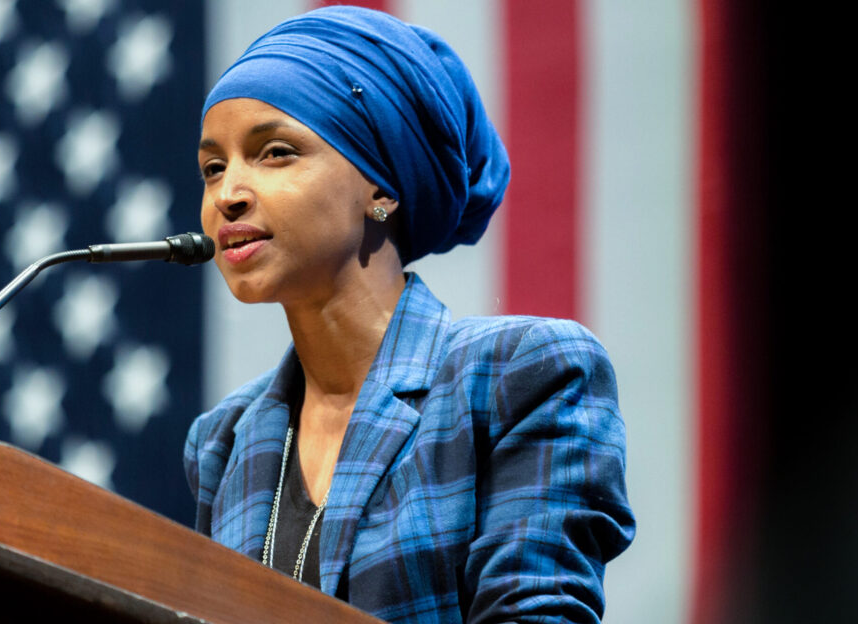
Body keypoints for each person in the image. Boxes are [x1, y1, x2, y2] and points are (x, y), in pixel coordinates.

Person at [184, 6, 635, 622]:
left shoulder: (523, 374)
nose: (227, 195)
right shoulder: (222, 439)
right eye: (213, 168)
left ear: (382, 188)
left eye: (276, 153)